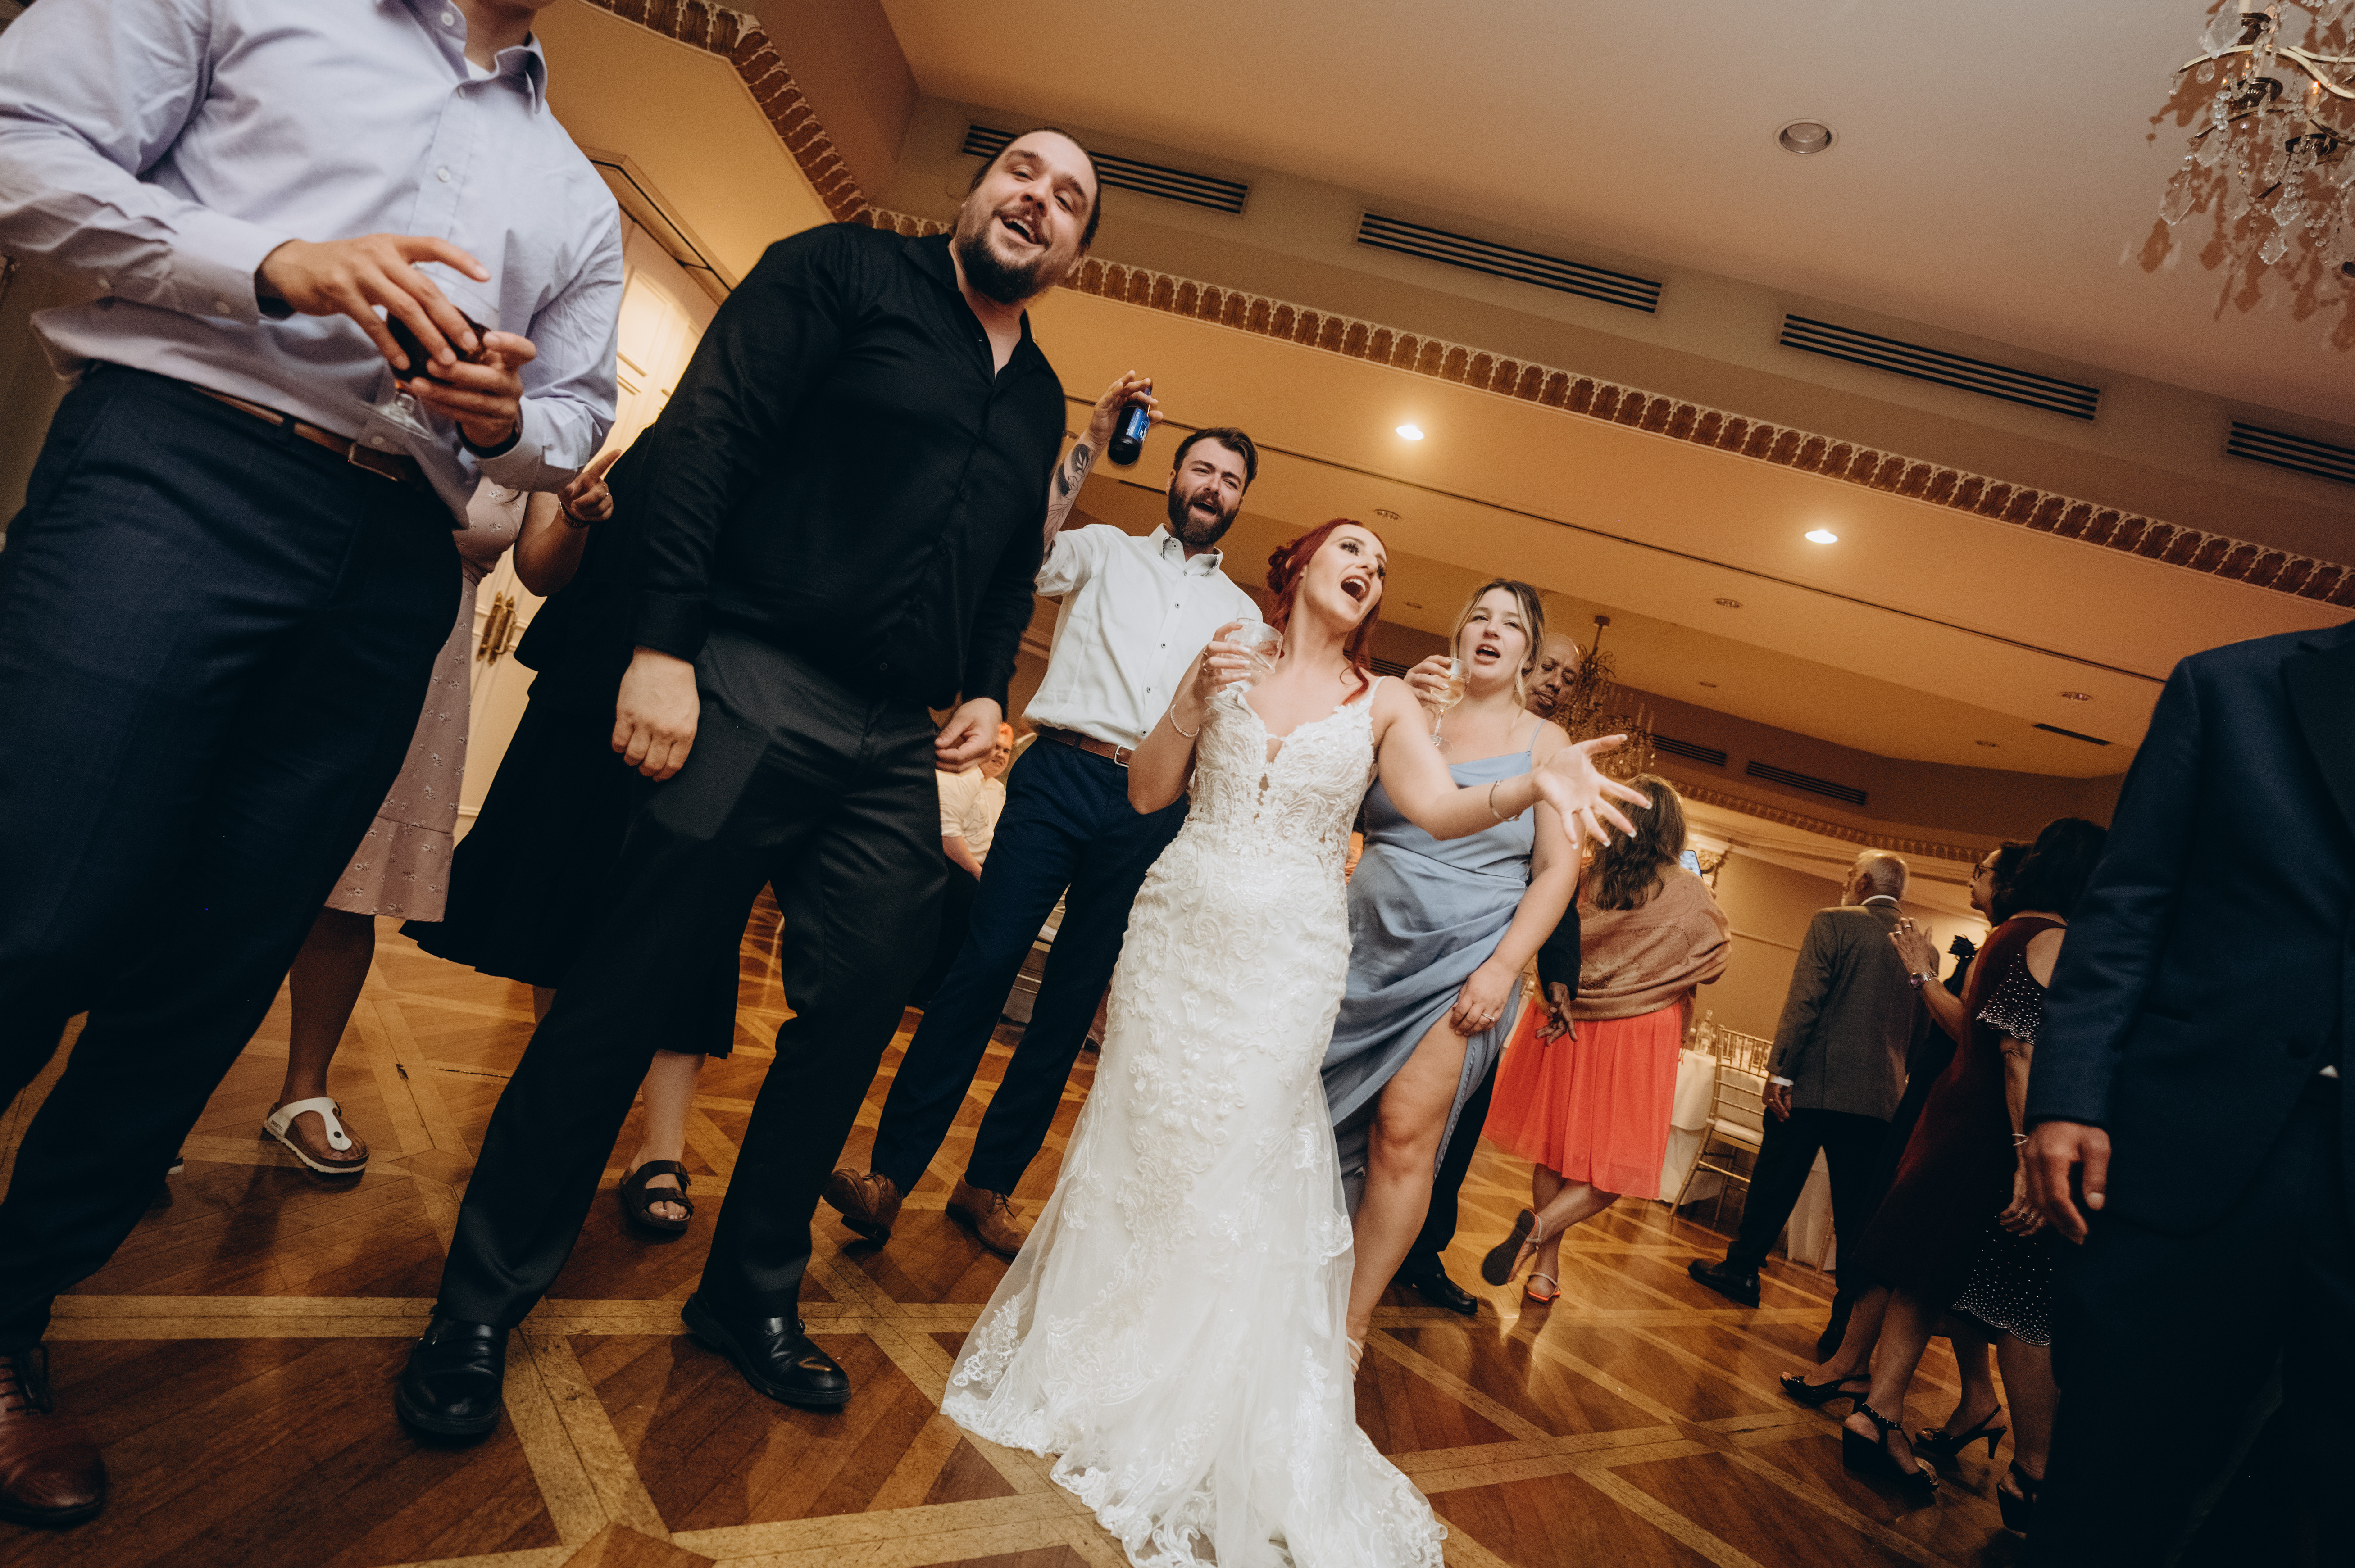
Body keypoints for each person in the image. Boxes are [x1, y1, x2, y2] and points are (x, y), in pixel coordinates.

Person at [0, 0, 619, 1526]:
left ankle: (12, 1307)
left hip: (395, 560)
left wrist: (509, 420)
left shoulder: (577, 194)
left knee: (210, 971)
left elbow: (578, 412)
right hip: (174, 464)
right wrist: (268, 262)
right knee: (36, 909)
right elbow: (19, 145)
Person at [394, 128, 1102, 1440]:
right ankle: (480, 1301)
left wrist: (986, 684)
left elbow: (1010, 565)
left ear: (1073, 252)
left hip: (892, 738)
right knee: (627, 984)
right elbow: (707, 440)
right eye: (1020, 171)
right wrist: (664, 643)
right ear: (972, 191)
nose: (1037, 200)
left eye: (1068, 200)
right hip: (749, 670)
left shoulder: (1037, 396)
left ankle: (748, 1291)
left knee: (862, 999)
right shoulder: (837, 273)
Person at [941, 519, 1646, 1564]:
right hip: (1177, 927)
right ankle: (1105, 1348)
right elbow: (1147, 792)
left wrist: (1528, 787)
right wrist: (1187, 700)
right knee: (1144, 1135)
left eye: (1381, 566)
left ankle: (1205, 1375)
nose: (1369, 568)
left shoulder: (1387, 700)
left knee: (1242, 1147)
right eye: (1351, 550)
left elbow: (1438, 807)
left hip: (1291, 958)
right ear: (1301, 566)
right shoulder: (1227, 653)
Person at [826, 397, 1264, 1259]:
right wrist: (1088, 446)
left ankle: (986, 1185)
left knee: (1070, 1001)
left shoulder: (1244, 618)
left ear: (1240, 499)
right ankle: (888, 1174)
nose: (1213, 486)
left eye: (1230, 479)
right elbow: (1020, 550)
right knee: (982, 965)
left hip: (1150, 806)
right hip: (1057, 772)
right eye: (1202, 469)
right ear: (1174, 475)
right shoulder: (1103, 550)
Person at [2021, 619, 2352, 1563]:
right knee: (2114, 1485)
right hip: (2193, 1146)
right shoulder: (2231, 687)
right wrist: (2067, 1092)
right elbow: (2128, 905)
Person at [406, 437, 742, 1234]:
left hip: (726, 683)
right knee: (561, 894)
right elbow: (548, 567)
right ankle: (558, 1106)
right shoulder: (658, 440)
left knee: (694, 922)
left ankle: (662, 1146)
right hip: (595, 664)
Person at [260, 460, 615, 1176]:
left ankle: (303, 1091)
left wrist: (574, 518)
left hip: (435, 649)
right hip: (316, 588)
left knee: (353, 880)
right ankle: (151, 1088)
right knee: (237, 851)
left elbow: (540, 573)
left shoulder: (553, 418)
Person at [1322, 584, 1578, 1346]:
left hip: (1464, 963)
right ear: (1459, 632)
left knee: (1403, 1135)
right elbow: (1335, 801)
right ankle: (1288, 1282)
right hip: (1360, 946)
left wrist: (1503, 967)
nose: (1492, 630)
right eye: (1480, 617)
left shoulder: (1547, 744)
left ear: (1527, 652)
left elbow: (1557, 871)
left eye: (1511, 624)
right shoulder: (1411, 709)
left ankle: (1347, 1328)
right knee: (1311, 1119)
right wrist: (1390, 717)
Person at [1835, 818, 2106, 1518]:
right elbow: (2019, 1052)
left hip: (1958, 1118)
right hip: (1990, 1135)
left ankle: (1880, 1413)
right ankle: (2029, 1469)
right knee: (2017, 1299)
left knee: (1925, 1274)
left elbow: (1975, 1034)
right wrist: (2024, 1156)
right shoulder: (2051, 938)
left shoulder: (2009, 932)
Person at [1779, 842, 2026, 1418]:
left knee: (1894, 1240)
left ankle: (1855, 1369)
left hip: (1945, 1106)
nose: (1972, 877)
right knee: (1889, 1237)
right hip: (1925, 1095)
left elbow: (1974, 1037)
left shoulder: (2012, 944)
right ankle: (1931, 1387)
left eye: (1983, 870)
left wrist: (1921, 972)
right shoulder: (2002, 941)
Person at [1395, 629, 1589, 1317]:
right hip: (1402, 936)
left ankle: (1422, 1251)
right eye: (1549, 667)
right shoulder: (1441, 720)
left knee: (1458, 1118)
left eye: (1570, 676)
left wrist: (1554, 975)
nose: (1557, 682)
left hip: (1486, 965)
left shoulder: (1554, 752)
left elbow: (1555, 875)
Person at [1479, 776, 1730, 1301]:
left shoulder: (1581, 877)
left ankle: (1544, 1270)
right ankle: (1541, 1233)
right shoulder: (1686, 891)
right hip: (1639, 1031)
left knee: (1554, 1150)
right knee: (1621, 1164)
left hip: (1568, 1019)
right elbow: (1714, 960)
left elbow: (1550, 933)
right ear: (1672, 829)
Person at [1687, 852, 1916, 1325]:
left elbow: (1806, 999)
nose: (1845, 882)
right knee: (1855, 1210)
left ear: (1864, 881)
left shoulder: (1833, 922)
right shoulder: (1922, 950)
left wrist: (1780, 1071)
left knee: (1776, 1180)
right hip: (1880, 1101)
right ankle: (1844, 1318)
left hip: (1813, 1084)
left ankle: (1742, 1270)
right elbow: (1919, 1033)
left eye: (1850, 874)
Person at [913, 722, 1016, 1004]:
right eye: (996, 747)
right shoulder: (960, 778)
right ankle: (928, 989)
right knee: (972, 900)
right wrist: (978, 873)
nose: (1000, 755)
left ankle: (964, 993)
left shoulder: (997, 789)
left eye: (1006, 751)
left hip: (974, 868)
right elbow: (948, 837)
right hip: (945, 863)